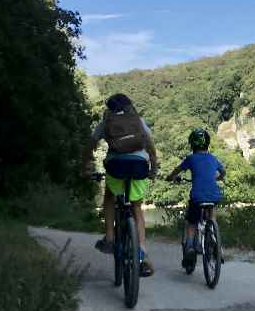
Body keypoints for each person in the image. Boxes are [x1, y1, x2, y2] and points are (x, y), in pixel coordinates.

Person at [84, 93, 158, 276]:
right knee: (137, 207)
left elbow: (89, 147)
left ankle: (109, 238)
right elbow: (151, 147)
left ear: (109, 108)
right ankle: (142, 254)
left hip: (116, 167)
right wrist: (153, 169)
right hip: (139, 166)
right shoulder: (138, 121)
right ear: (130, 106)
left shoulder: (106, 122)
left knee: (109, 196)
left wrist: (85, 168)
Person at [166, 128, 225, 270]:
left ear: (192, 144)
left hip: (197, 197)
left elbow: (177, 170)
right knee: (212, 216)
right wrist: (218, 178)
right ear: (208, 143)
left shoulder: (190, 159)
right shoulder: (213, 158)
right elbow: (223, 172)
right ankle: (217, 244)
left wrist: (170, 177)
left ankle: (191, 246)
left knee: (192, 222)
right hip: (215, 195)